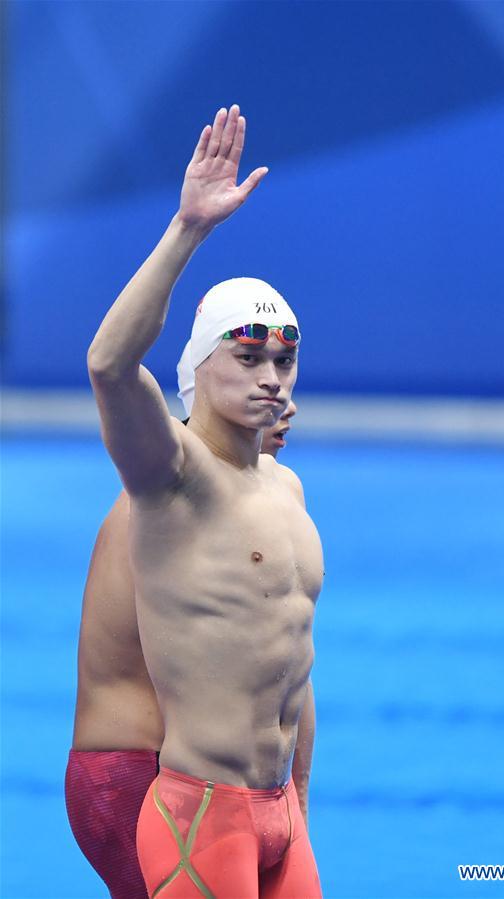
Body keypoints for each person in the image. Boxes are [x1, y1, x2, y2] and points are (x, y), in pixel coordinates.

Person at [86, 104, 323, 898]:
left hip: (280, 813)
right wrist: (186, 230)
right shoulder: (169, 477)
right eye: (249, 353)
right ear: (200, 367)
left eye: (285, 360)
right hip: (201, 813)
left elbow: (293, 659)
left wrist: (302, 803)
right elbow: (111, 365)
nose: (271, 375)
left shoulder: (286, 487)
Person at [65, 394, 303, 899]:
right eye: (252, 367)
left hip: (148, 773)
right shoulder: (168, 508)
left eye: (284, 366)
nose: (287, 405)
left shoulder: (241, 506)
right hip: (137, 772)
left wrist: (293, 806)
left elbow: (284, 673)